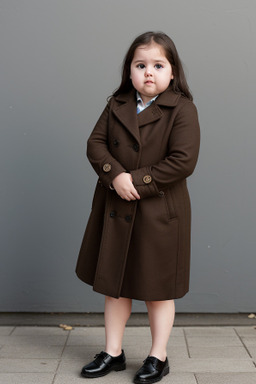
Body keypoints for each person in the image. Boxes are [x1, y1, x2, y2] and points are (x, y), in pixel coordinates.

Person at [76, 31, 200, 383]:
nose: (149, 72)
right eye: (140, 65)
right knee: (115, 286)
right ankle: (113, 352)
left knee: (158, 290)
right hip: (117, 207)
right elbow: (95, 144)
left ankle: (157, 356)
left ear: (172, 72)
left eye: (158, 65)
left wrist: (138, 181)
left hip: (160, 213)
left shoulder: (183, 109)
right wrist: (114, 175)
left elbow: (183, 161)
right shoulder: (116, 105)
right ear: (129, 71)